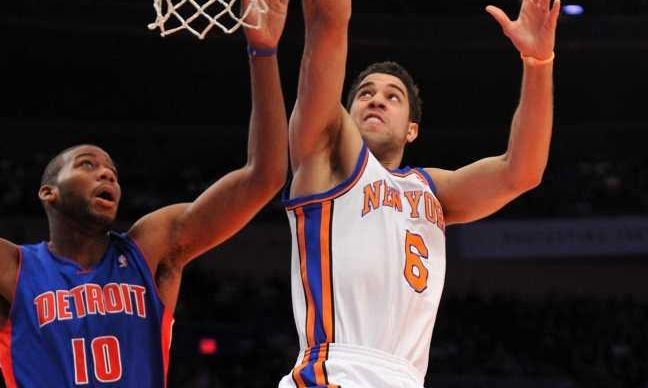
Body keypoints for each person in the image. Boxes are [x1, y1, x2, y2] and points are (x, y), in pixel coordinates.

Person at [0, 0, 289, 386]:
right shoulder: (14, 269)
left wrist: (264, 51)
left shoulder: (149, 249)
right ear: (48, 192)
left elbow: (264, 177)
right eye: (87, 164)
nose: (106, 173)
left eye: (112, 172)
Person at [280, 0, 560, 386]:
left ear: (412, 129)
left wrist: (538, 63)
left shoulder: (433, 189)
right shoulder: (324, 161)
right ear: (344, 114)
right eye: (364, 94)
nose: (376, 99)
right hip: (336, 373)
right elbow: (327, 25)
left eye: (393, 96)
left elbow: (522, 171)